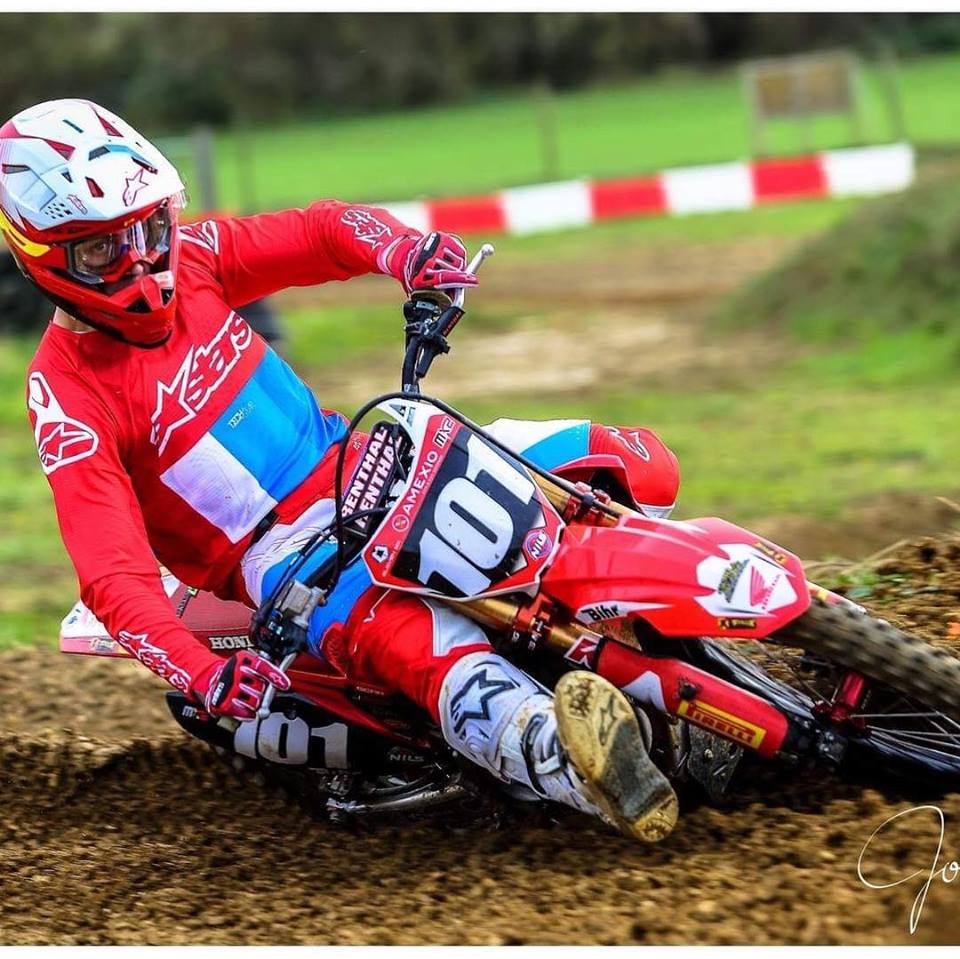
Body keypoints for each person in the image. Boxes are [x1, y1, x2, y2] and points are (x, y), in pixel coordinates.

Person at [3, 99, 682, 841]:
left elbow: (323, 230)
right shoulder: (65, 396)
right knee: (425, 648)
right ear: (41, 255)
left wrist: (406, 253)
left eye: (150, 229)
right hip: (290, 559)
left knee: (623, 460)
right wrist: (201, 671)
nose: (141, 262)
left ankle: (670, 617)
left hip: (375, 454)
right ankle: (574, 759)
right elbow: (111, 575)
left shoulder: (193, 254)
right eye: (103, 251)